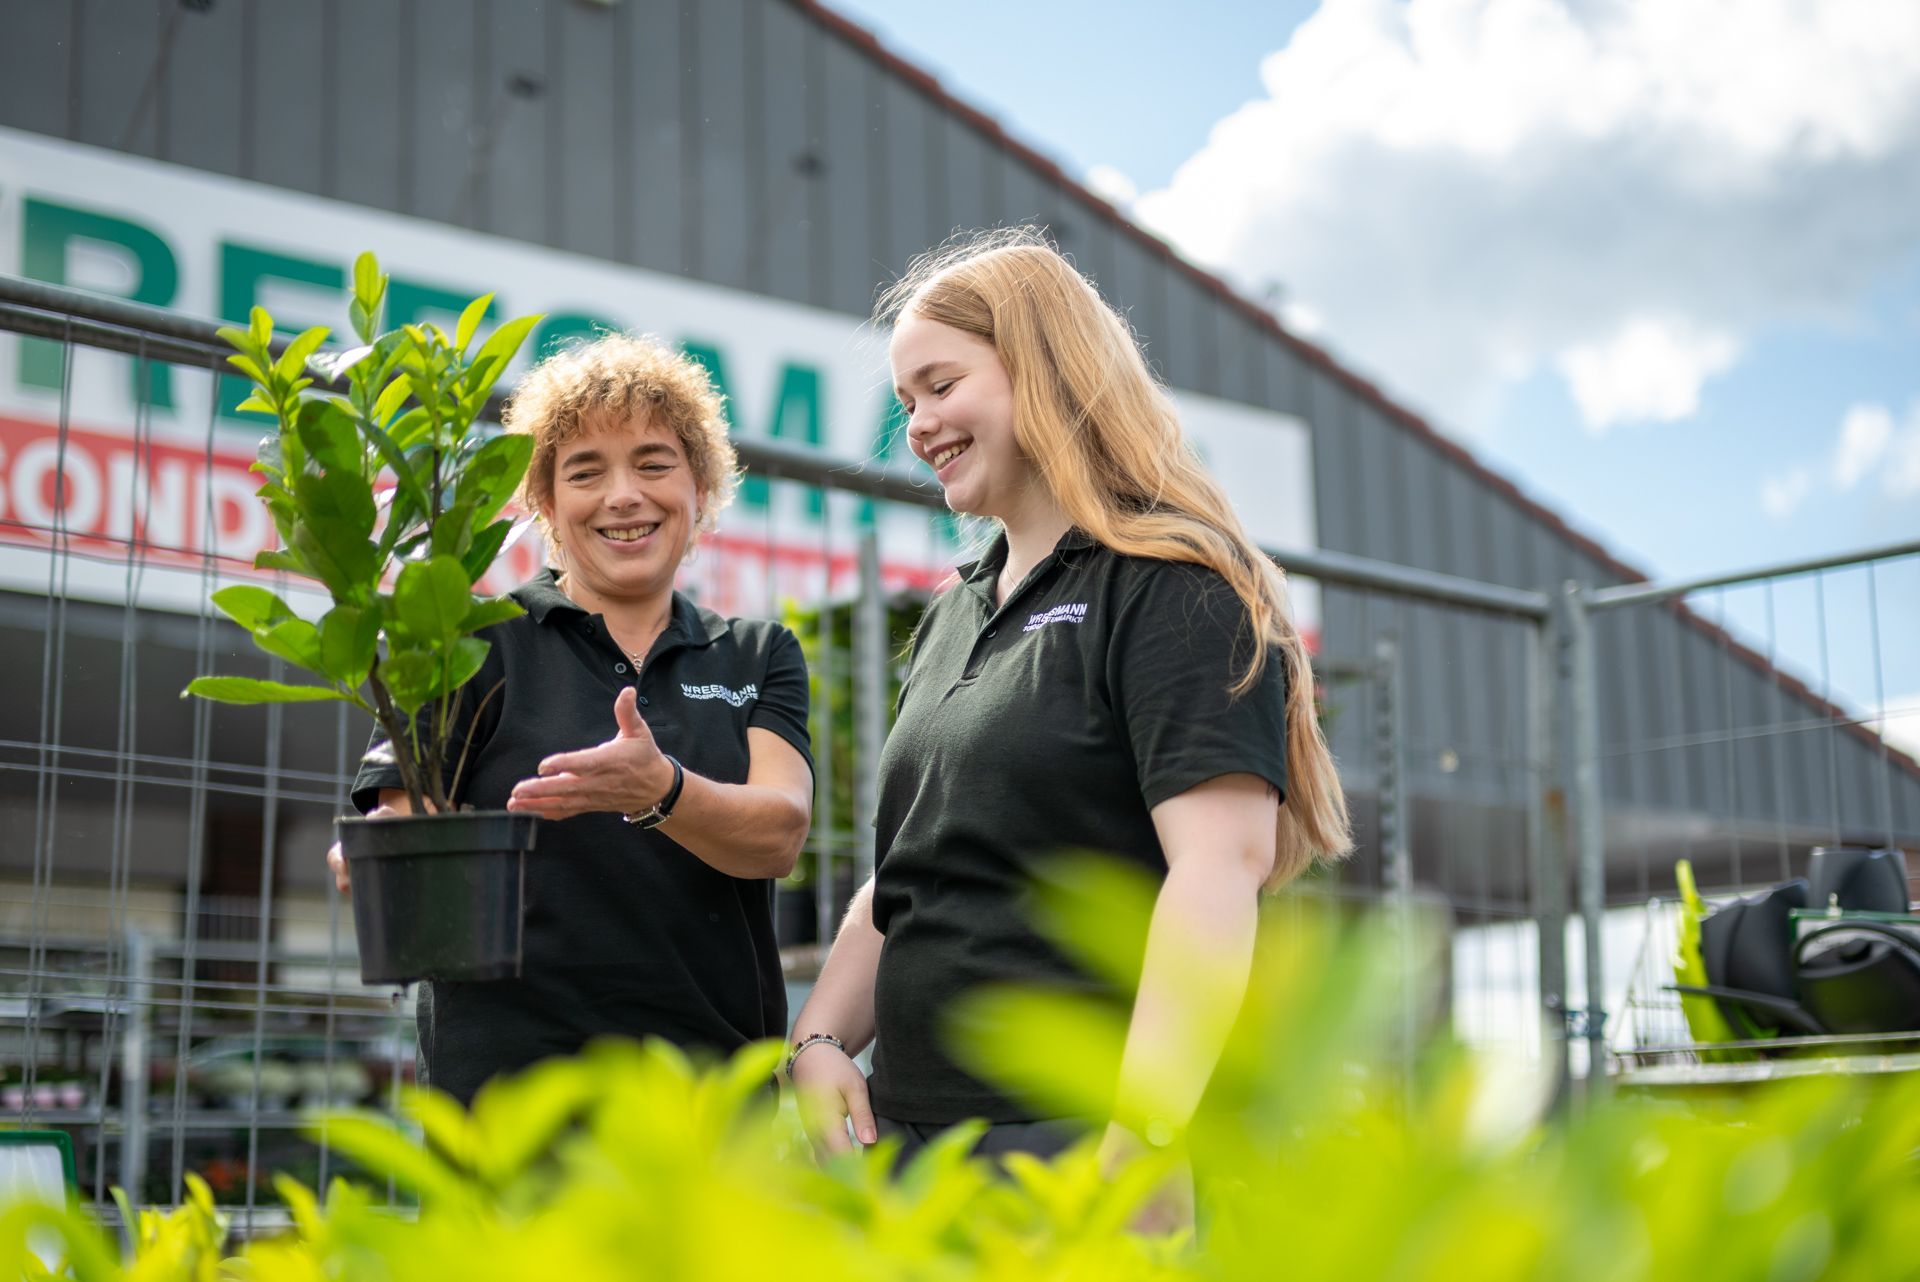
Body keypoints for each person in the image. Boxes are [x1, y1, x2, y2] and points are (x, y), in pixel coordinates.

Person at [787, 230, 1352, 1193]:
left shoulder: (1174, 584)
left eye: (941, 384)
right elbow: (905, 878)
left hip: (1071, 1148)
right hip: (915, 1149)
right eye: (905, 402)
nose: (918, 426)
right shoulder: (954, 613)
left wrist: (1146, 1142)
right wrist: (819, 1040)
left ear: (1042, 367)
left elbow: (1219, 869)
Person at [335, 333, 815, 1106]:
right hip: (513, 1112)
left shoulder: (755, 654)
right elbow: (405, 817)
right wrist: (384, 852)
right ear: (547, 505)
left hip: (713, 1115)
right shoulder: (468, 638)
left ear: (701, 489)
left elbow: (780, 832)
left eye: (654, 464)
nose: (623, 495)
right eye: (585, 471)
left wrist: (658, 790)